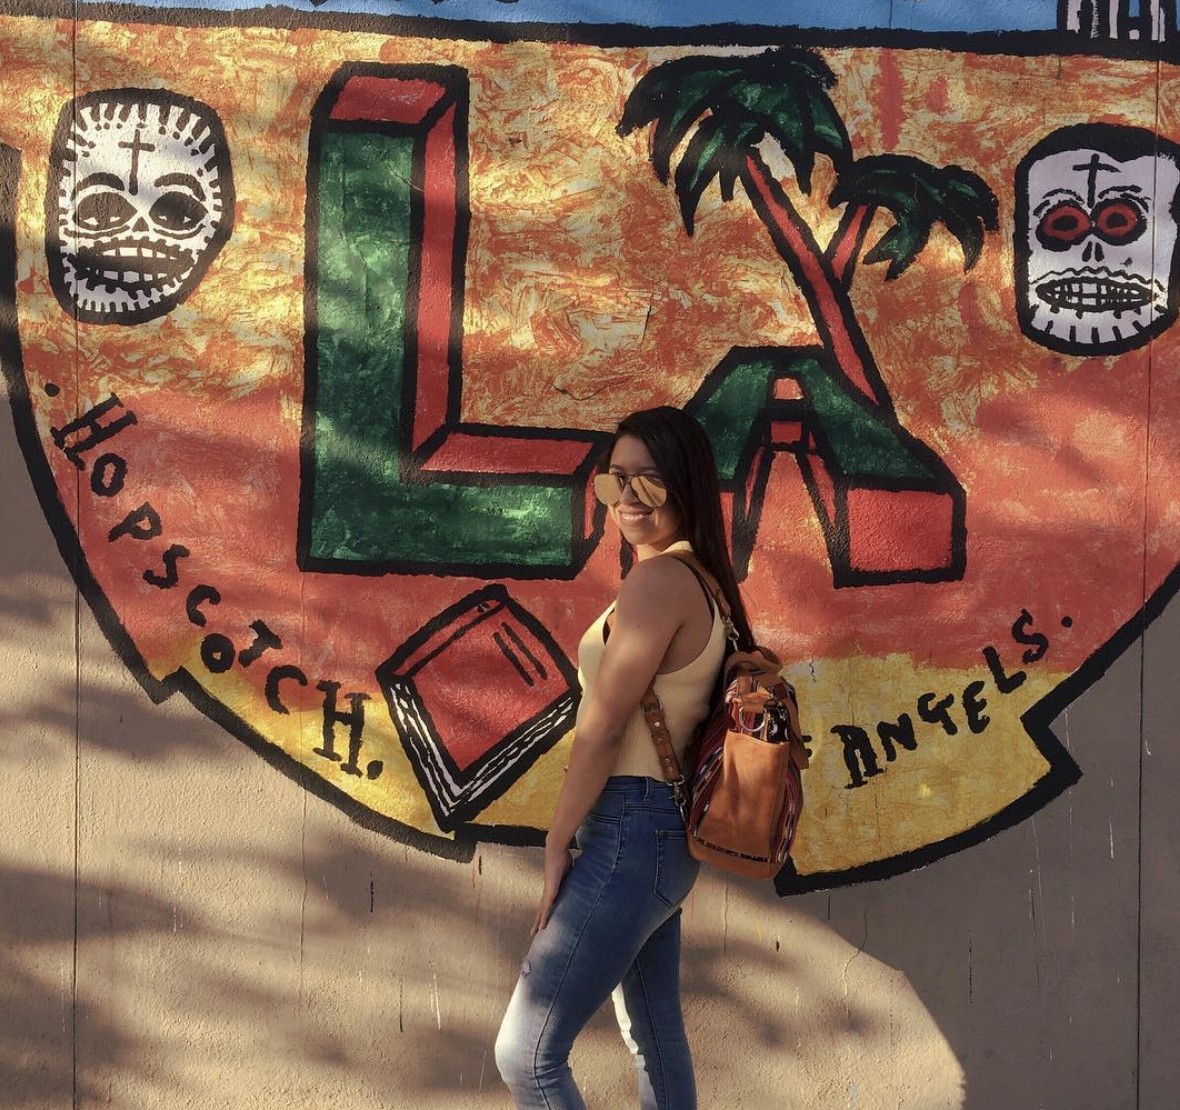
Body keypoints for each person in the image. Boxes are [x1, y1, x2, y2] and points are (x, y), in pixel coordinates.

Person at [494, 406, 757, 1110]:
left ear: (686, 484)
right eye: (616, 480)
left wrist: (557, 842)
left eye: (650, 479)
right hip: (659, 839)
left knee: (527, 1054)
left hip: (630, 834)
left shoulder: (659, 582)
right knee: (654, 1037)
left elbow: (603, 728)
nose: (628, 498)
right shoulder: (700, 580)